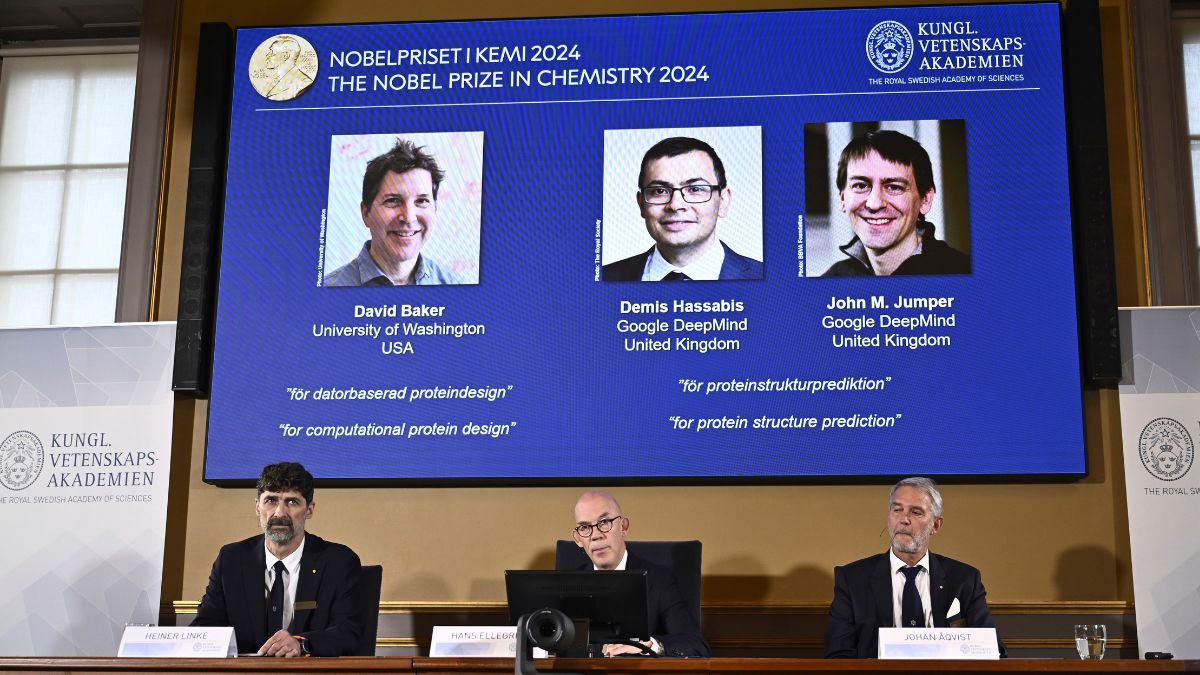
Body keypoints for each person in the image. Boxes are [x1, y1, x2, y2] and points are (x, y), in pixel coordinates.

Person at [192, 462, 363, 657]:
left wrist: (301, 644)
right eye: (271, 501)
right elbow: (206, 626)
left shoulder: (338, 562)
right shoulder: (232, 559)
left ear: (309, 510)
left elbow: (349, 634)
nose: (280, 513)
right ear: (258, 507)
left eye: (292, 502)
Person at [823, 477, 1006, 658]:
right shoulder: (853, 579)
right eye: (897, 510)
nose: (904, 519)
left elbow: (993, 650)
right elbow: (838, 655)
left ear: (936, 525)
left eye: (916, 512)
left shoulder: (964, 579)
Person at [569, 490, 710, 657]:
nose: (596, 535)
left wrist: (651, 646)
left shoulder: (659, 581)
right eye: (585, 527)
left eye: (604, 522)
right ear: (578, 539)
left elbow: (696, 645)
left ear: (623, 527)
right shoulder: (569, 585)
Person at [603, 137, 763, 281]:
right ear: (641, 204)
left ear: (723, 201)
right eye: (659, 191)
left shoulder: (770, 279)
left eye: (695, 189)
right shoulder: (604, 278)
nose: (675, 205)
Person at [821, 129, 970, 276]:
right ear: (842, 199)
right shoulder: (832, 280)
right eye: (861, 186)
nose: (874, 204)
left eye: (894, 187)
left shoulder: (963, 273)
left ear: (925, 199)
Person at [325, 139, 464, 286]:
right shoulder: (327, 292)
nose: (409, 218)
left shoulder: (458, 289)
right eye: (392, 201)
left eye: (422, 201)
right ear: (366, 213)